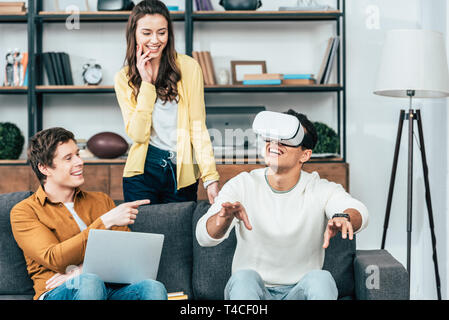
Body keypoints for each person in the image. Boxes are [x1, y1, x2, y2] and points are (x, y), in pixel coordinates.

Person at [195, 110, 369, 300]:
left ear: (305, 154)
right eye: (273, 136)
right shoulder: (243, 184)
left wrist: (344, 217)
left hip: (299, 293)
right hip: (254, 292)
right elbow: (204, 236)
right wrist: (223, 218)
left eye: (288, 139)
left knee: (321, 279)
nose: (275, 144)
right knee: (244, 277)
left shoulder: (320, 189)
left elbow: (358, 211)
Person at [10, 127, 168, 300]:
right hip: (59, 291)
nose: (79, 162)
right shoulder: (24, 211)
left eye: (78, 154)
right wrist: (105, 221)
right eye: (68, 158)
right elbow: (54, 258)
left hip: (111, 289)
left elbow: (124, 257)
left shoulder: (101, 201)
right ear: (45, 168)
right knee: (89, 283)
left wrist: (80, 271)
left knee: (152, 287)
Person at [114, 0, 219, 204]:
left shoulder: (189, 68)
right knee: (143, 236)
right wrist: (146, 84)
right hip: (142, 172)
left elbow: (197, 126)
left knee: (178, 235)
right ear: (134, 34)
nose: (155, 40)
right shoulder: (123, 78)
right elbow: (137, 134)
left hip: (182, 171)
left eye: (161, 32)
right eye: (146, 33)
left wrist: (210, 177)